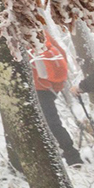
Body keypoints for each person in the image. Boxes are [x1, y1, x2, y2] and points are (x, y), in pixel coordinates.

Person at [31, 32, 83, 166]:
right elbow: (62, 54)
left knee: (45, 122)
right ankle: (71, 154)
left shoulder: (20, 38)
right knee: (53, 122)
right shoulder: (42, 33)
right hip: (50, 87)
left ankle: (66, 156)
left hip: (37, 87)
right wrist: (57, 85)